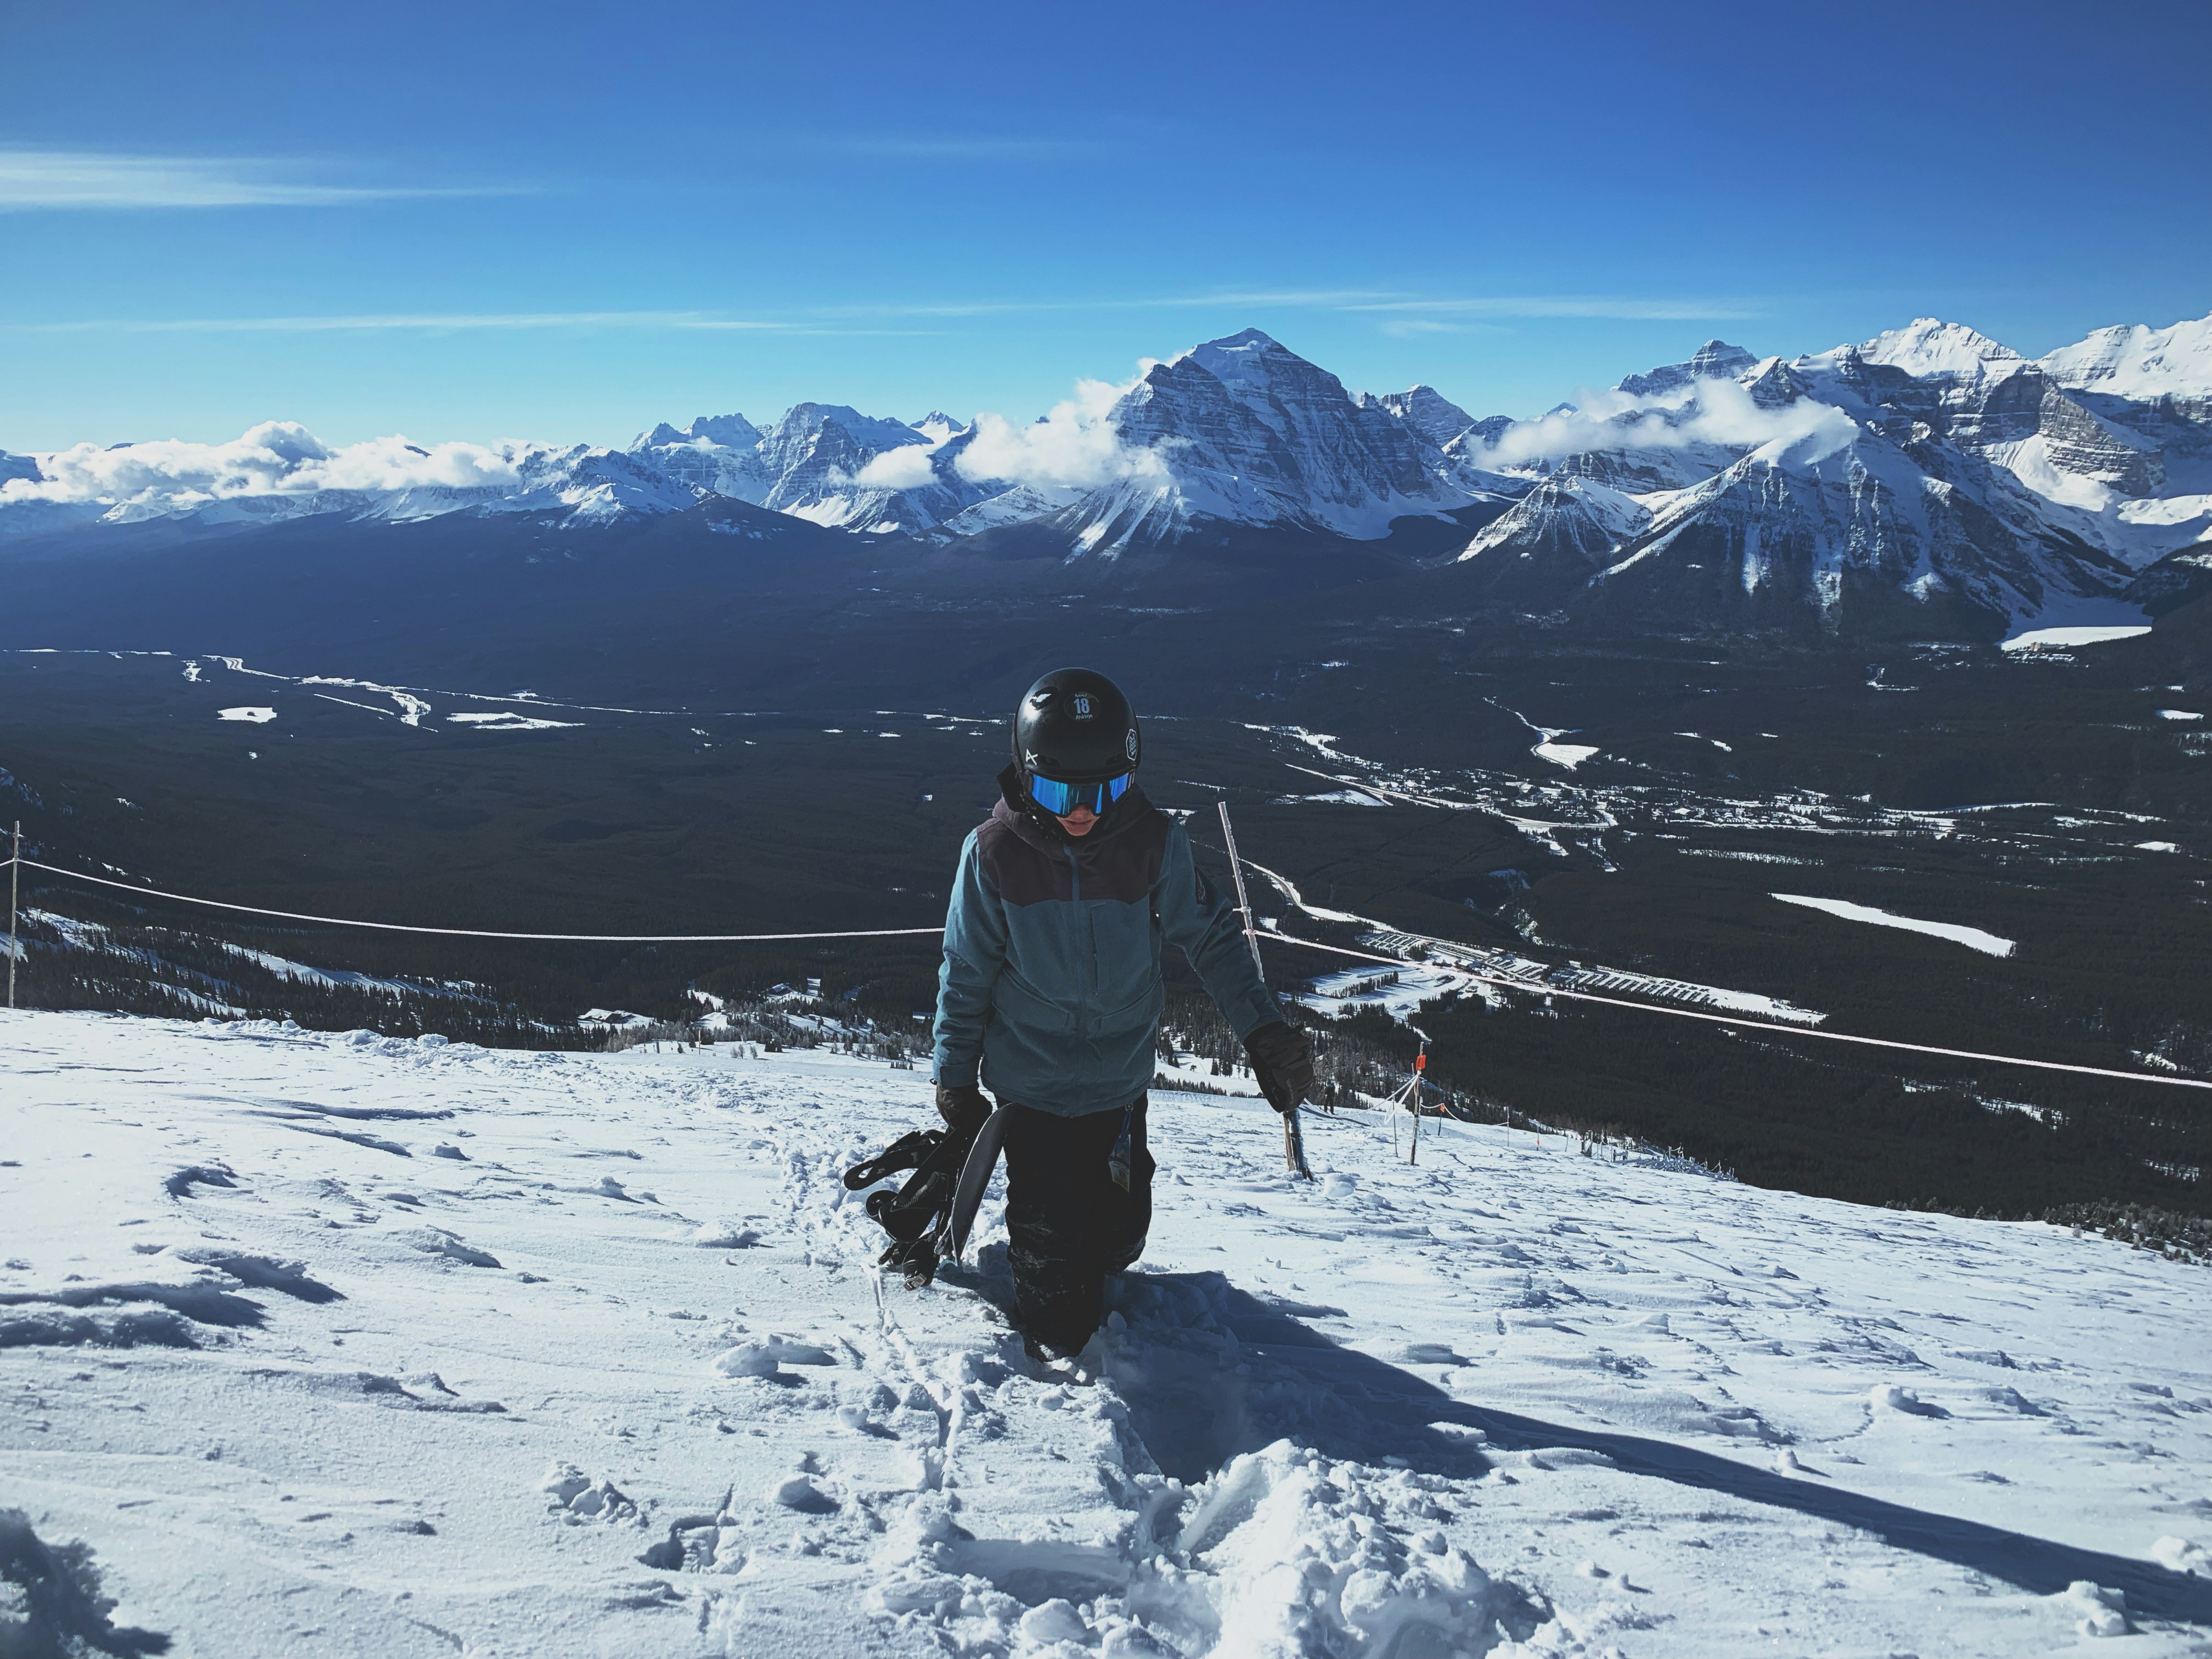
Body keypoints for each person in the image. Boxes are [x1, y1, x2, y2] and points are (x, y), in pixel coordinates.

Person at [927, 667, 1314, 1361]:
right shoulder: (993, 856)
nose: (1081, 811)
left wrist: (1263, 1032)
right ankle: (1042, 1300)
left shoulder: (1151, 843)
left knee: (1118, 1237)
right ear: (1024, 773)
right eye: (1057, 791)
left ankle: (1097, 1247)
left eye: (1102, 791)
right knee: (1060, 1309)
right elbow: (966, 972)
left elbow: (1212, 936)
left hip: (1118, 1089)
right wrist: (955, 1078)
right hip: (1034, 1095)